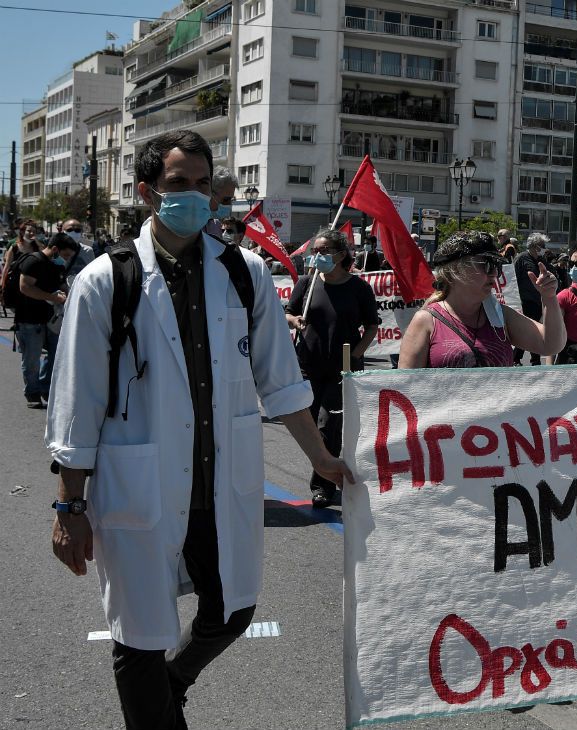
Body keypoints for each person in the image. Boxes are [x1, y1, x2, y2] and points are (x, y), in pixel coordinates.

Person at [45, 130, 351, 729]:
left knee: (232, 611)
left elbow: (282, 382)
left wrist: (321, 458)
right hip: (141, 483)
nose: (193, 196)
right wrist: (68, 507)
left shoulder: (245, 274)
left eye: (203, 185)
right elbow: (78, 403)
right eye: (178, 184)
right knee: (138, 636)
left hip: (220, 488)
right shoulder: (107, 280)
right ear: (147, 192)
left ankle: (172, 683)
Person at [285, 229, 380, 508]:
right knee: (310, 425)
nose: (318, 256)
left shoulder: (359, 288)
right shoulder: (306, 283)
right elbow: (289, 312)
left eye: (324, 251)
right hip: (307, 366)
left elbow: (372, 326)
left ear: (341, 255)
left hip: (342, 370)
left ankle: (322, 487)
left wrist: (356, 356)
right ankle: (325, 469)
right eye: (315, 250)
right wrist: (295, 320)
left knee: (328, 427)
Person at [398, 231, 564, 369]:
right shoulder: (426, 320)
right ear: (456, 270)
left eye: (496, 267)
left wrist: (549, 298)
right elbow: (405, 390)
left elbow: (550, 344)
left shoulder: (500, 316)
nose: (494, 274)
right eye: (486, 264)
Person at [15, 232, 79, 407]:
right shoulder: (33, 261)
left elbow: (60, 284)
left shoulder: (56, 265)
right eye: (65, 255)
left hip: (52, 319)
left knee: (55, 356)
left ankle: (46, 388)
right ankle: (33, 393)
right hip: (30, 318)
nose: (66, 259)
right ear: (56, 249)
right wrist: (53, 298)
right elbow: (25, 287)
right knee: (32, 359)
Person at [512, 233, 548, 365]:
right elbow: (513, 279)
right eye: (542, 246)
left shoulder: (541, 260)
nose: (544, 248)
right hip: (525, 302)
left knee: (532, 331)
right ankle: (532, 359)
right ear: (535, 246)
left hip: (538, 301)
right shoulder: (521, 258)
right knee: (532, 331)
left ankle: (517, 357)